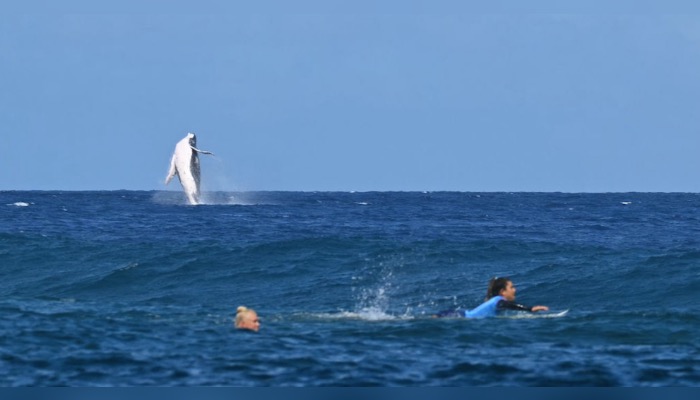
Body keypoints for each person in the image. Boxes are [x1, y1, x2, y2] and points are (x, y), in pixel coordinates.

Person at [436, 277, 549, 318]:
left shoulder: (494, 301)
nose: (514, 290)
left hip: (459, 314)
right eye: (512, 287)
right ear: (502, 292)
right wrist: (529, 309)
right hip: (457, 316)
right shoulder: (499, 301)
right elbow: (508, 305)